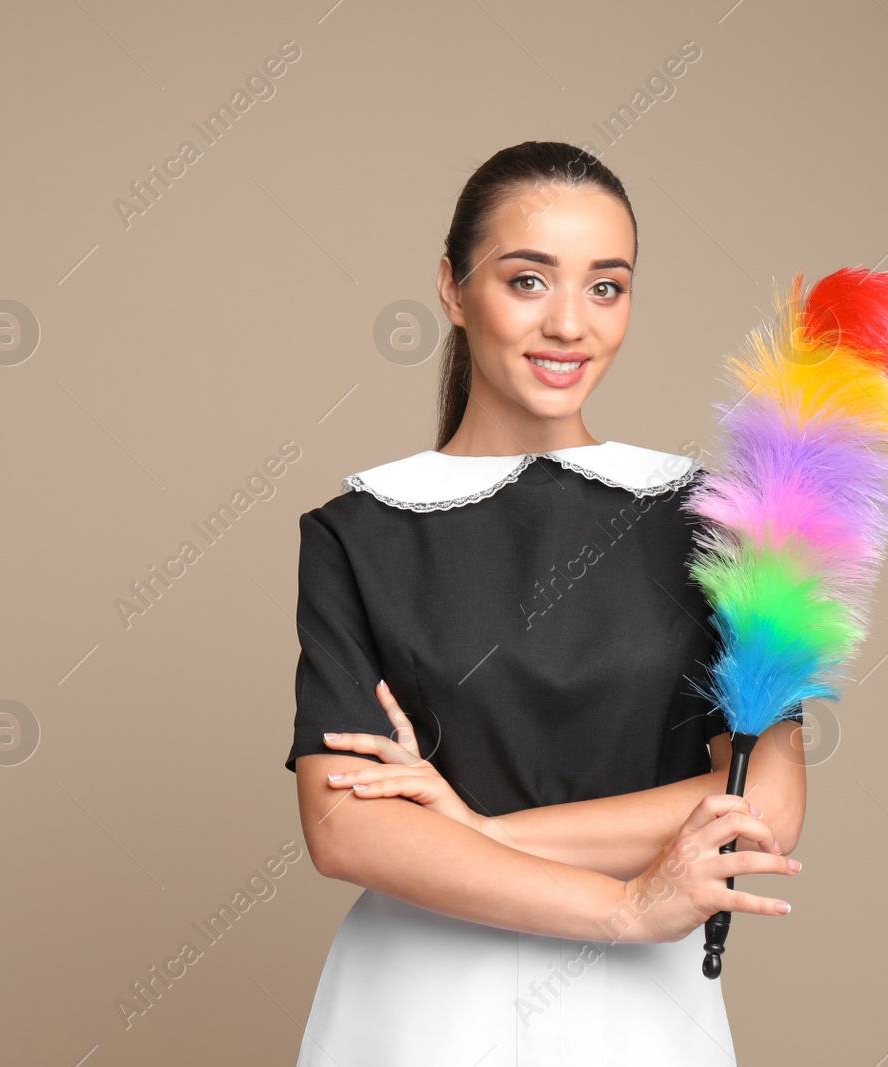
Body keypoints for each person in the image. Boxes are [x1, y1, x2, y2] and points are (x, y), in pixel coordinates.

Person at [285, 141, 808, 1065]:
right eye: (528, 281)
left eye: (606, 286)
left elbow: (763, 797)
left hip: (644, 1016)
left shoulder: (721, 522)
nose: (570, 324)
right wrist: (628, 905)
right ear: (451, 288)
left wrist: (478, 831)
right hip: (416, 1011)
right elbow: (343, 825)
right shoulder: (357, 531)